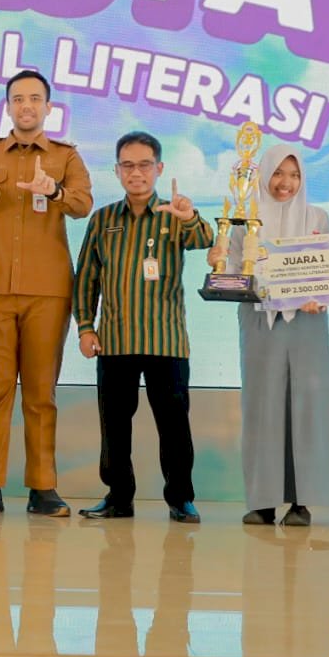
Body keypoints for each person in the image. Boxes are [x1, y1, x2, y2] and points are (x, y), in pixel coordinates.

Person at [0, 70, 93, 517]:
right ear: (8, 106)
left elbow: (83, 204)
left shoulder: (66, 156)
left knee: (40, 393)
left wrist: (55, 190)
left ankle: (43, 488)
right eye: (18, 99)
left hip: (48, 293)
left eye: (34, 99)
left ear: (48, 107)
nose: (26, 106)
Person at [72, 131, 214, 523]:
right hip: (114, 341)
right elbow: (86, 279)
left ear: (159, 168)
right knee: (114, 427)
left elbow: (204, 239)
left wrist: (190, 216)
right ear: (117, 170)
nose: (136, 173)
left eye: (145, 165)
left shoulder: (174, 214)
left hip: (166, 341)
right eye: (128, 165)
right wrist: (85, 327)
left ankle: (181, 499)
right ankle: (118, 497)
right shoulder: (103, 220)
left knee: (174, 426)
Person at [213, 147, 329, 527]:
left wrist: (321, 295)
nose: (286, 183)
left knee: (308, 407)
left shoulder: (317, 217)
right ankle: (262, 500)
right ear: (265, 175)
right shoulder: (245, 218)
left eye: (294, 175)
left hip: (307, 323)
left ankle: (303, 502)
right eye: (278, 173)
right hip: (259, 321)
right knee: (262, 407)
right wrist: (218, 260)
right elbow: (233, 271)